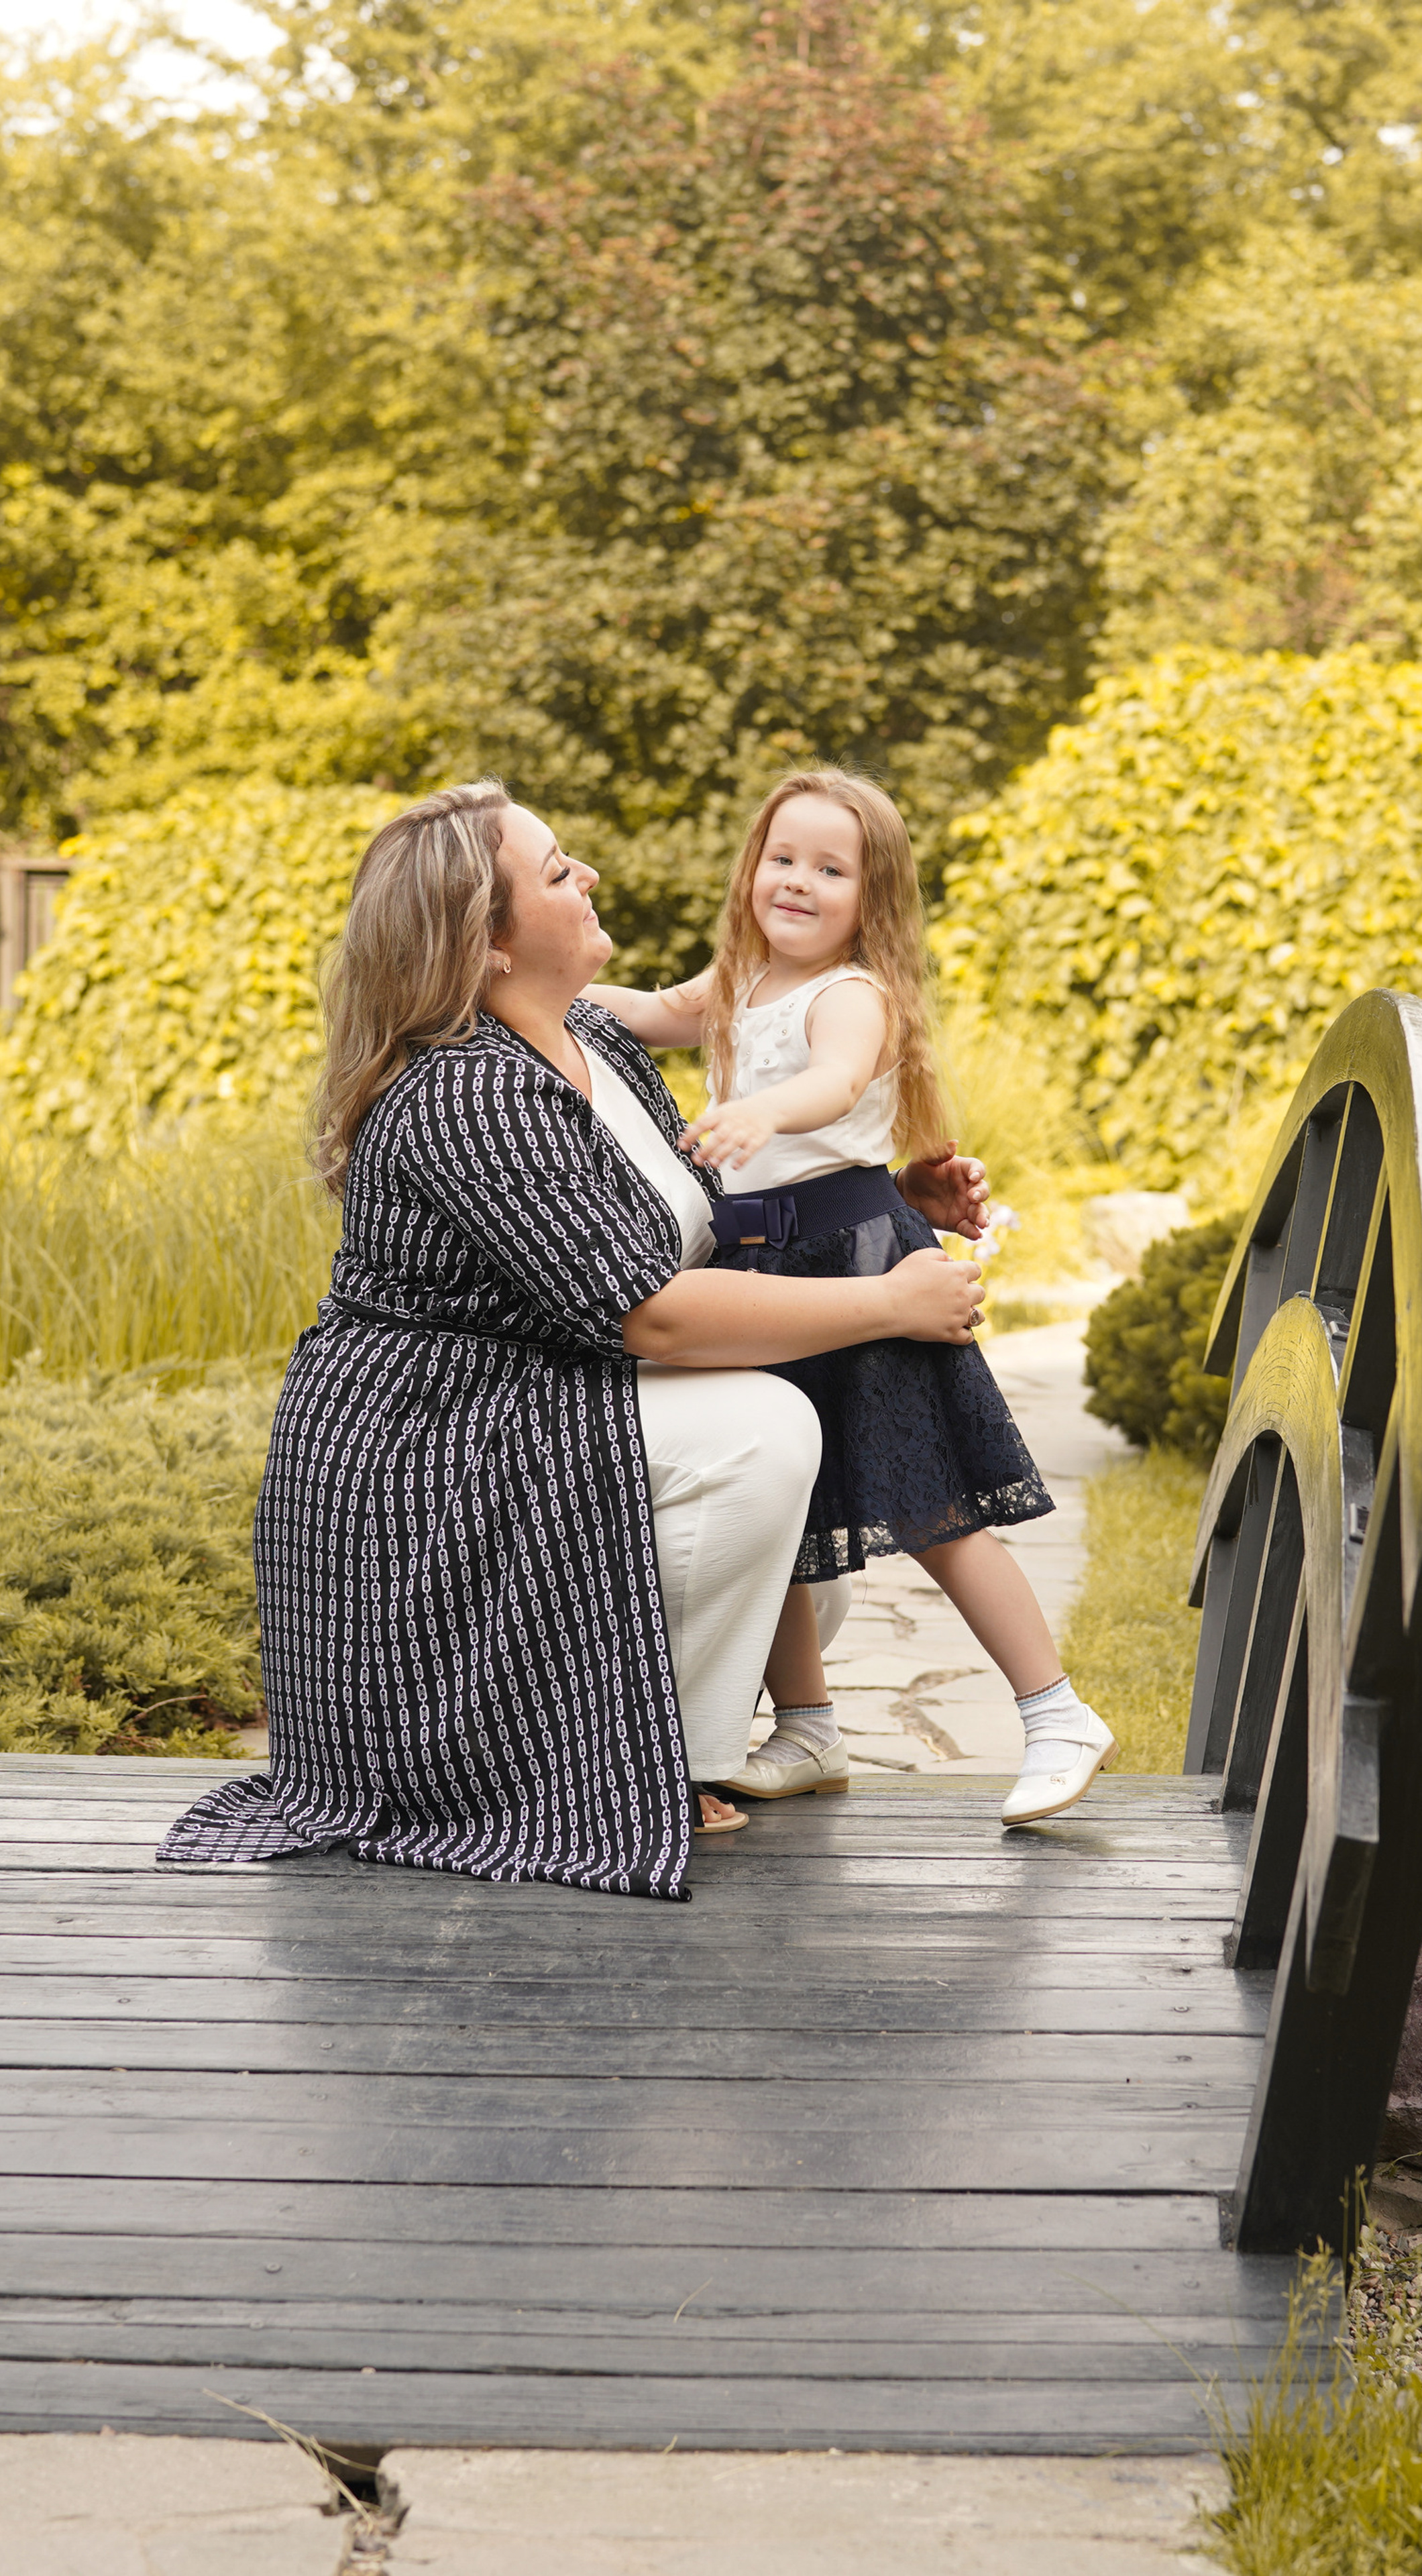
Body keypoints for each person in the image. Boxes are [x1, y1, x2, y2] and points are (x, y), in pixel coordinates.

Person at [156, 780, 985, 1900]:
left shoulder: (589, 1038)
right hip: (431, 1454)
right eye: (555, 872)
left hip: (538, 1396)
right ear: (488, 943)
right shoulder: (468, 1092)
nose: (588, 876)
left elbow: (706, 1216)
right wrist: (887, 1303)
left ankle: (646, 1739)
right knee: (764, 1436)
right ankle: (643, 1772)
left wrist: (889, 1203)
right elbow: (652, 1313)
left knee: (808, 1564)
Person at [588, 767, 1116, 1827]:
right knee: (779, 1501)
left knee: (936, 1503)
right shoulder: (740, 978)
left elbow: (832, 1081)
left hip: (855, 1257)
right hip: (766, 1267)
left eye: (831, 869)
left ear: (871, 900)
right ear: (751, 869)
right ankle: (809, 1727)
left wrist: (764, 1114)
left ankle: (1056, 1711)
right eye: (782, 858)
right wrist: (529, 986)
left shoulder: (851, 994)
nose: (798, 881)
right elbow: (651, 1012)